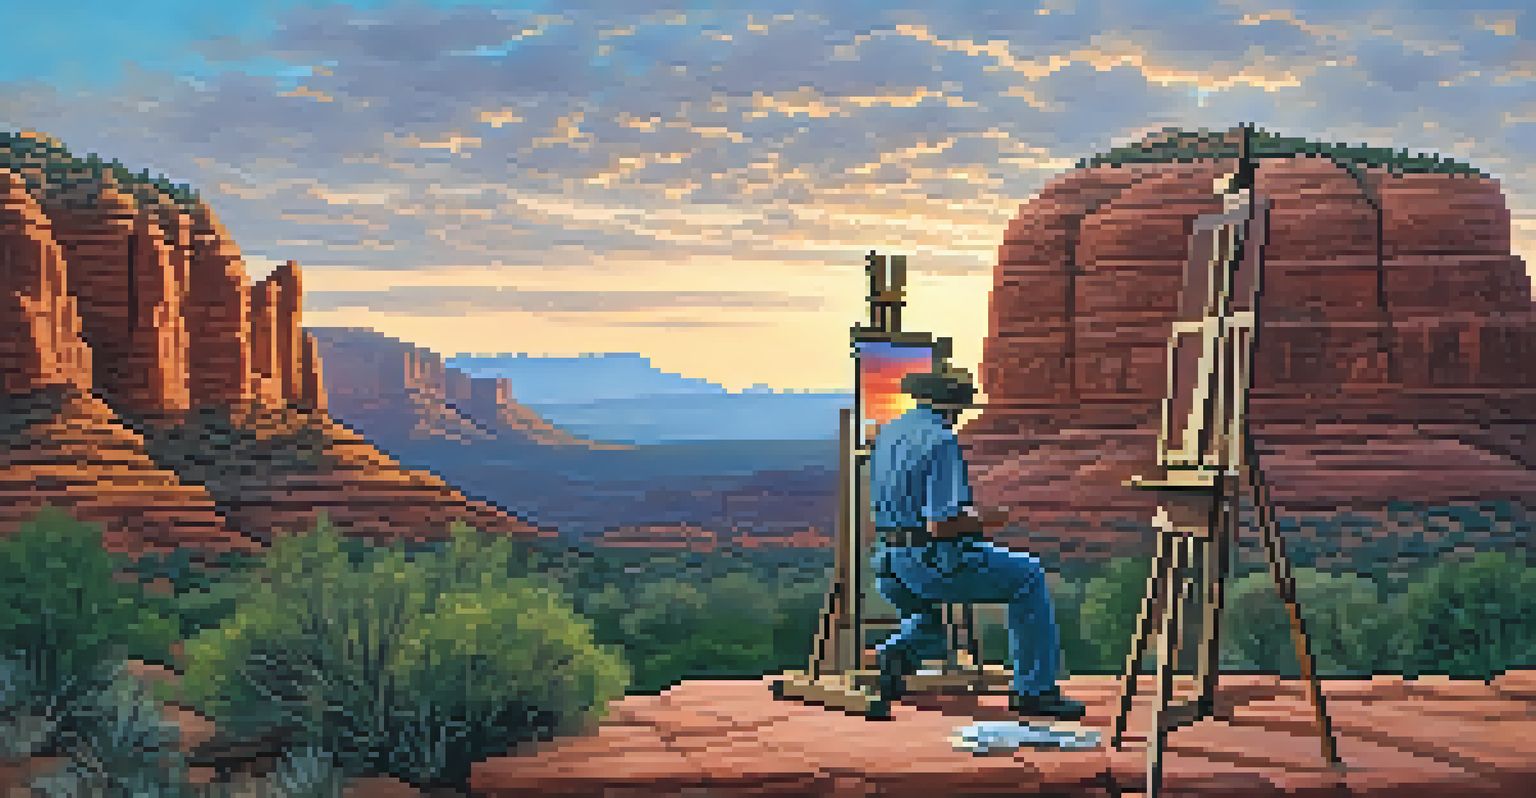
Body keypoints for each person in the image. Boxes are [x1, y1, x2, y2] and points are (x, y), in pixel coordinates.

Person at [868, 368, 1086, 721]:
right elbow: (941, 523)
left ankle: (897, 651)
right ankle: (1036, 691)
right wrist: (991, 518)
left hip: (891, 564)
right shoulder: (941, 441)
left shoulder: (890, 433)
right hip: (933, 563)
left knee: (931, 626)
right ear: (954, 407)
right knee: (1027, 576)